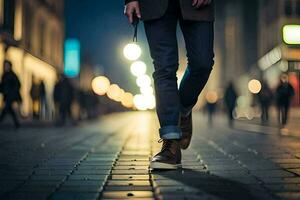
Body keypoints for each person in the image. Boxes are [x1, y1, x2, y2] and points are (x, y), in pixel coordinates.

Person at [125, 0, 214, 169]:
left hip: (197, 4)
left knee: (202, 63)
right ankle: (170, 144)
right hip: (154, 4)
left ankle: (183, 109)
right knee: (164, 68)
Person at [0, 60, 21, 128]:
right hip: (6, 95)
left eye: (7, 66)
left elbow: (18, 85)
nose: (6, 67)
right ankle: (17, 124)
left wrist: (12, 92)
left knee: (5, 110)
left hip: (11, 96)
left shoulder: (13, 75)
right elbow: (3, 85)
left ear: (10, 66)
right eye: (5, 66)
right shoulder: (4, 75)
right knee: (10, 110)